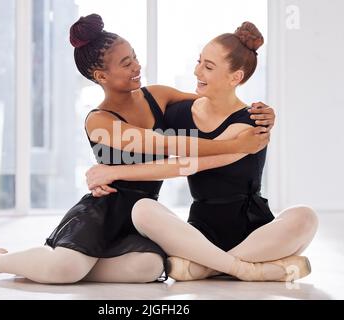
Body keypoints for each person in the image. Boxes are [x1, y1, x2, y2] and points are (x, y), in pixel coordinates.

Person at [0, 15, 272, 284]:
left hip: (144, 213)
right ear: (102, 75)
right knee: (65, 270)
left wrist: (260, 115)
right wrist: (232, 145)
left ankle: (78, 267)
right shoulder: (99, 121)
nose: (137, 67)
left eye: (135, 57)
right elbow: (163, 144)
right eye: (126, 63)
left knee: (150, 268)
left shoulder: (158, 96)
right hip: (104, 210)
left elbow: (217, 104)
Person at [85, 22, 318, 282]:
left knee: (305, 217)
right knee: (143, 210)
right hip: (200, 230)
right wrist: (105, 166)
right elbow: (150, 139)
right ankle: (250, 267)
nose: (197, 71)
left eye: (208, 67)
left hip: (254, 227)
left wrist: (112, 172)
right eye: (199, 62)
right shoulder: (178, 113)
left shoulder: (251, 121)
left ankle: (207, 267)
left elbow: (184, 164)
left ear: (235, 77)